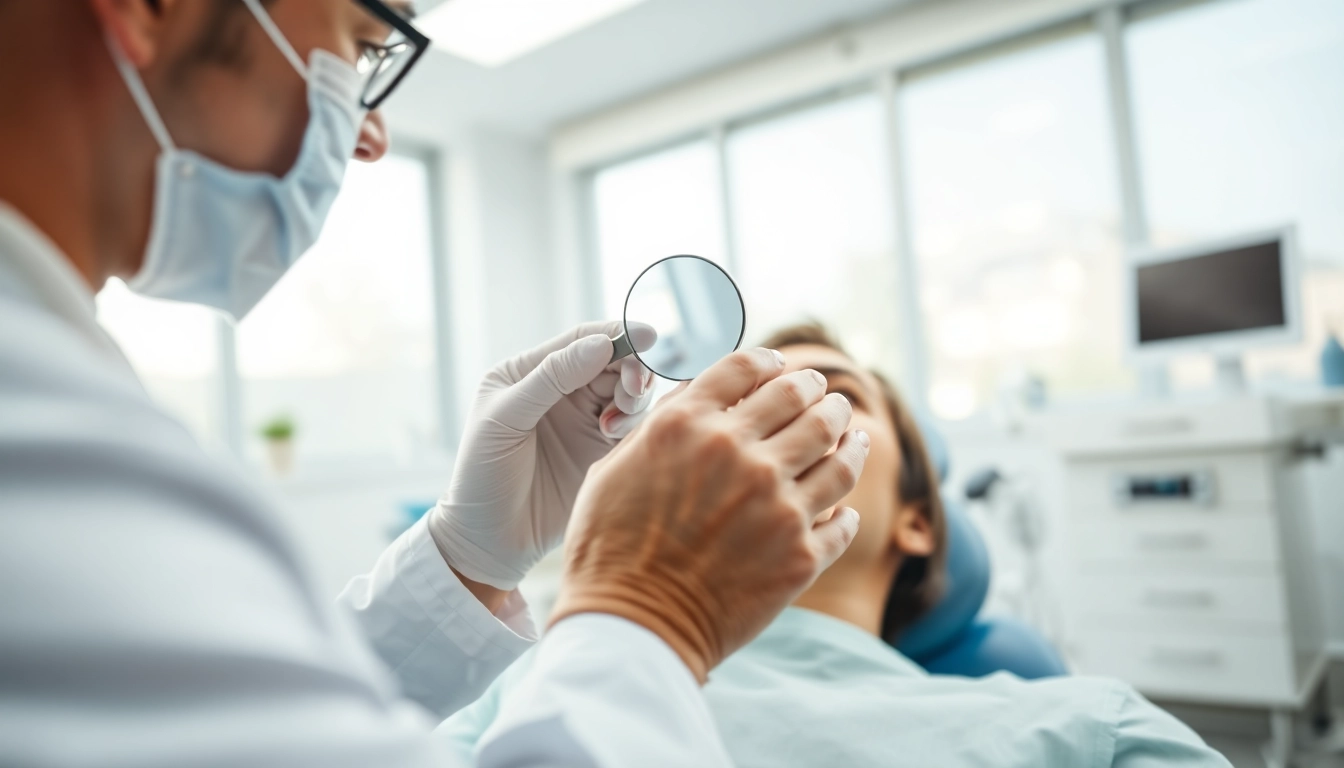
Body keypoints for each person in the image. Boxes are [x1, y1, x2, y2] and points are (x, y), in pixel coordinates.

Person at [0, 3, 869, 766]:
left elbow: (207, 725)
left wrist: (467, 560)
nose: (370, 134)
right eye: (363, 42)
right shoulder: (41, 440)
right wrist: (653, 611)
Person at [438, 323, 1234, 768]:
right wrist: (470, 562)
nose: (776, 414)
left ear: (918, 521)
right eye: (751, 396)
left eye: (834, 396)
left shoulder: (1082, 731)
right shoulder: (535, 680)